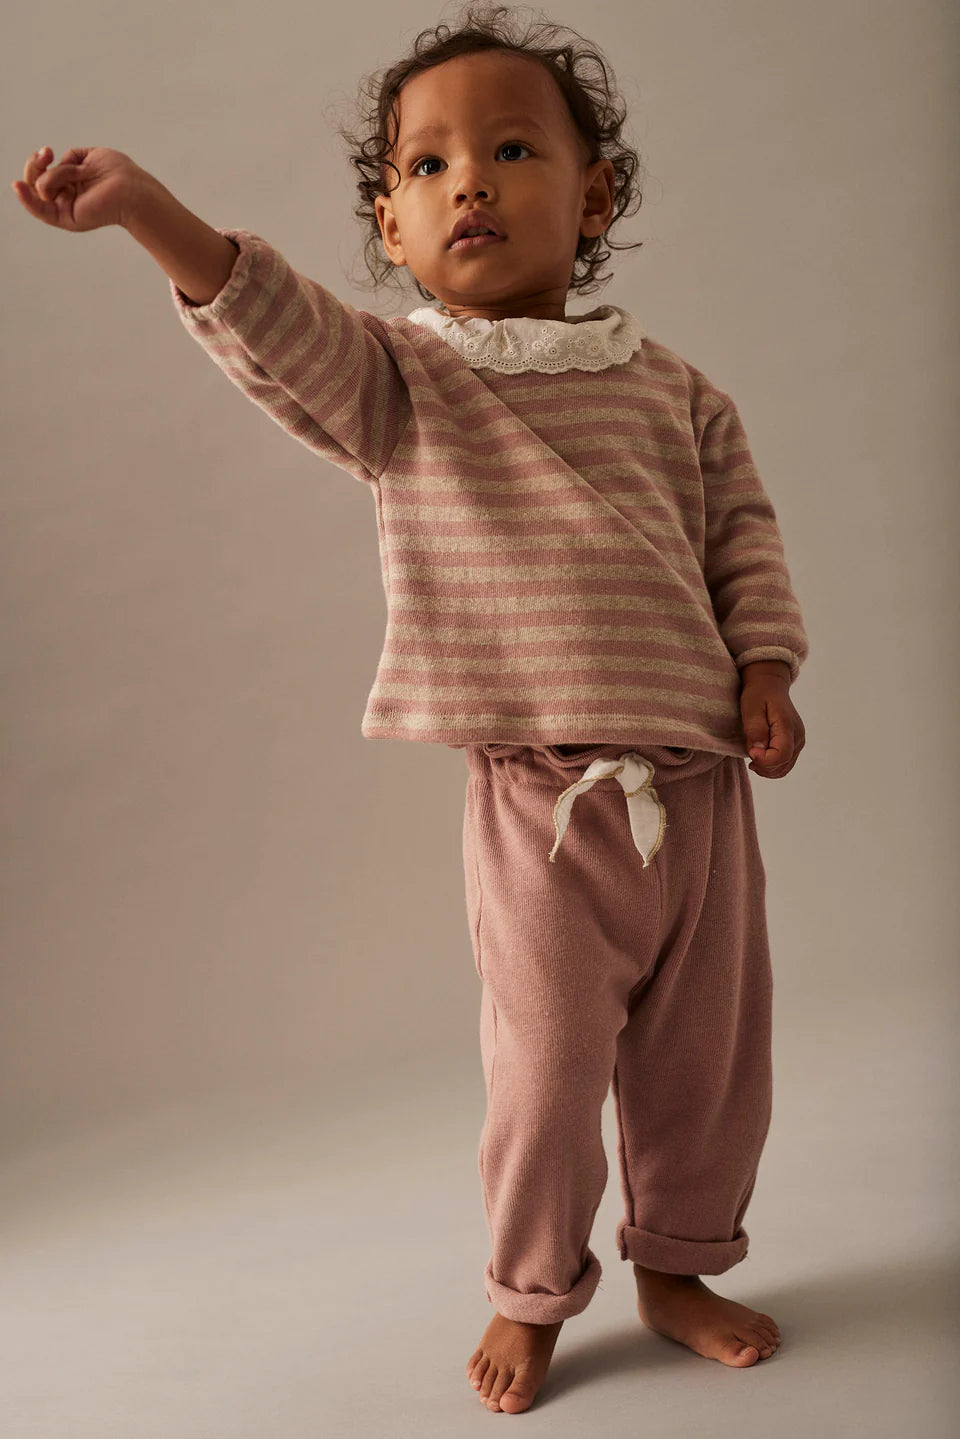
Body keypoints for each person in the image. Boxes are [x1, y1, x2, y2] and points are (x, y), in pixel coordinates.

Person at [13, 2, 808, 1415]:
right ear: (391, 224)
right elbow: (273, 322)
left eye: (511, 150)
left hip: (694, 789)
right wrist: (146, 208)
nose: (472, 184)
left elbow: (741, 538)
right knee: (551, 1068)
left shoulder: (680, 392)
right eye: (430, 168)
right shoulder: (405, 383)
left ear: (596, 194)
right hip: (540, 800)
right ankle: (533, 1288)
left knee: (708, 1060)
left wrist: (765, 671)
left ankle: (679, 1262)